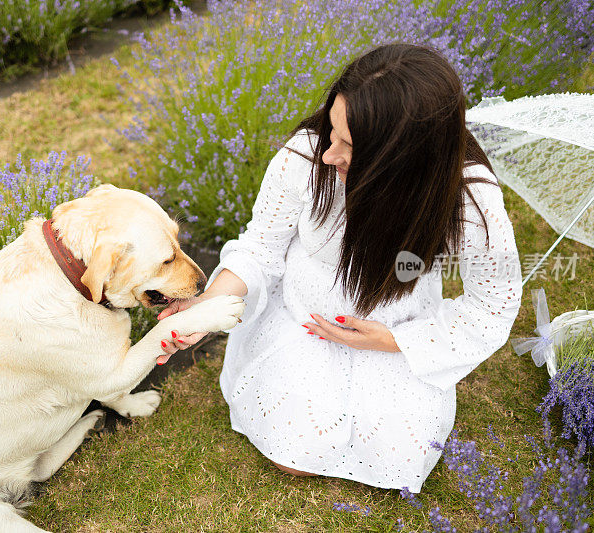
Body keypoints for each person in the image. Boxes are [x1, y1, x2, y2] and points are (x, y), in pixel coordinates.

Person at [155, 43, 522, 492]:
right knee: (296, 454)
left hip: (395, 337)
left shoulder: (468, 197)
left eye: (349, 145)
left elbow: (493, 304)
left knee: (401, 451)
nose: (329, 154)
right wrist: (210, 307)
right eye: (333, 131)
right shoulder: (308, 156)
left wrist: (394, 341)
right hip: (302, 323)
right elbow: (260, 249)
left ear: (402, 160)